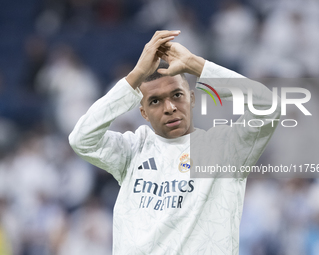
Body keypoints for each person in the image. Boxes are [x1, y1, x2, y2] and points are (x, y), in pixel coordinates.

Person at [69, 30, 280, 254]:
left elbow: (268, 105)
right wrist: (135, 77)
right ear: (144, 113)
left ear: (192, 98)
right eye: (155, 101)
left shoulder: (226, 149)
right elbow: (81, 139)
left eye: (177, 95)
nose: (169, 107)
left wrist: (195, 64)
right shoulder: (133, 148)